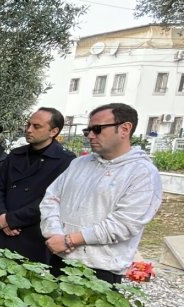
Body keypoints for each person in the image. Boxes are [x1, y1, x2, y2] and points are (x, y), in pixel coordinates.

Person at [41, 103, 163, 284]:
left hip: (99, 270)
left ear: (124, 129)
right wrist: (54, 233)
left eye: (97, 129)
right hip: (60, 258)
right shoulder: (79, 164)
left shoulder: (142, 173)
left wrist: (70, 240)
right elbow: (51, 198)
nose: (90, 135)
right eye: (88, 130)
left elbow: (124, 224)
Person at [0, 107, 75, 265]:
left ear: (53, 131)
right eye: (28, 124)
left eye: (36, 126)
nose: (29, 130)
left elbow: (52, 200)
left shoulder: (65, 161)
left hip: (31, 235)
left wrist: (12, 220)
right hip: (2, 231)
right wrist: (2, 216)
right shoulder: (16, 155)